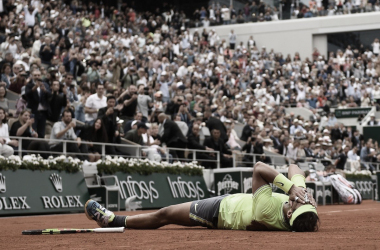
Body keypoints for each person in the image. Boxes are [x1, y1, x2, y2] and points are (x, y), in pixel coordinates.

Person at [85, 162, 319, 232]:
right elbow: (295, 166)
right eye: (306, 202)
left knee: (165, 214)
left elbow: (258, 168)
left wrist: (289, 187)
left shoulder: (267, 210)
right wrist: (301, 190)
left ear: (290, 211)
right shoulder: (302, 211)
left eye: (299, 202)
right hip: (232, 203)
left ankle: (112, 220)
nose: (302, 199)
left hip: (218, 212)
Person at [25, 69, 51, 138]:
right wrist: (35, 87)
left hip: (43, 112)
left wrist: (45, 90)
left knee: (41, 132)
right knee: (32, 130)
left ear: (41, 76)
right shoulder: (29, 85)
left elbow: (50, 96)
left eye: (38, 75)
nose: (37, 77)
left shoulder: (45, 84)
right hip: (33, 111)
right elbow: (27, 95)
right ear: (32, 76)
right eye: (35, 75)